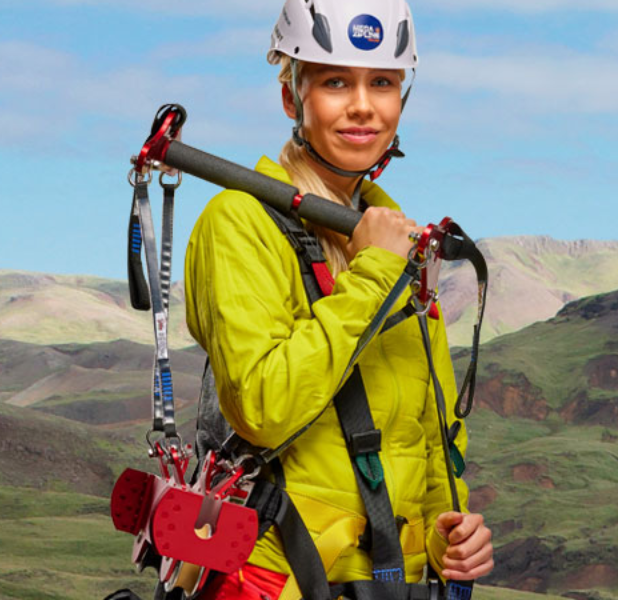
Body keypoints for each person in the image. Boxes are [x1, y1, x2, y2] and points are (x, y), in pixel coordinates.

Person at [183, 0, 493, 597]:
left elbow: (427, 440)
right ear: (291, 98)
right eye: (334, 82)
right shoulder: (240, 223)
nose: (362, 105)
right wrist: (375, 271)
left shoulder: (401, 241)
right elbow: (263, 407)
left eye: (382, 82)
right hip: (273, 577)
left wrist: (442, 537)